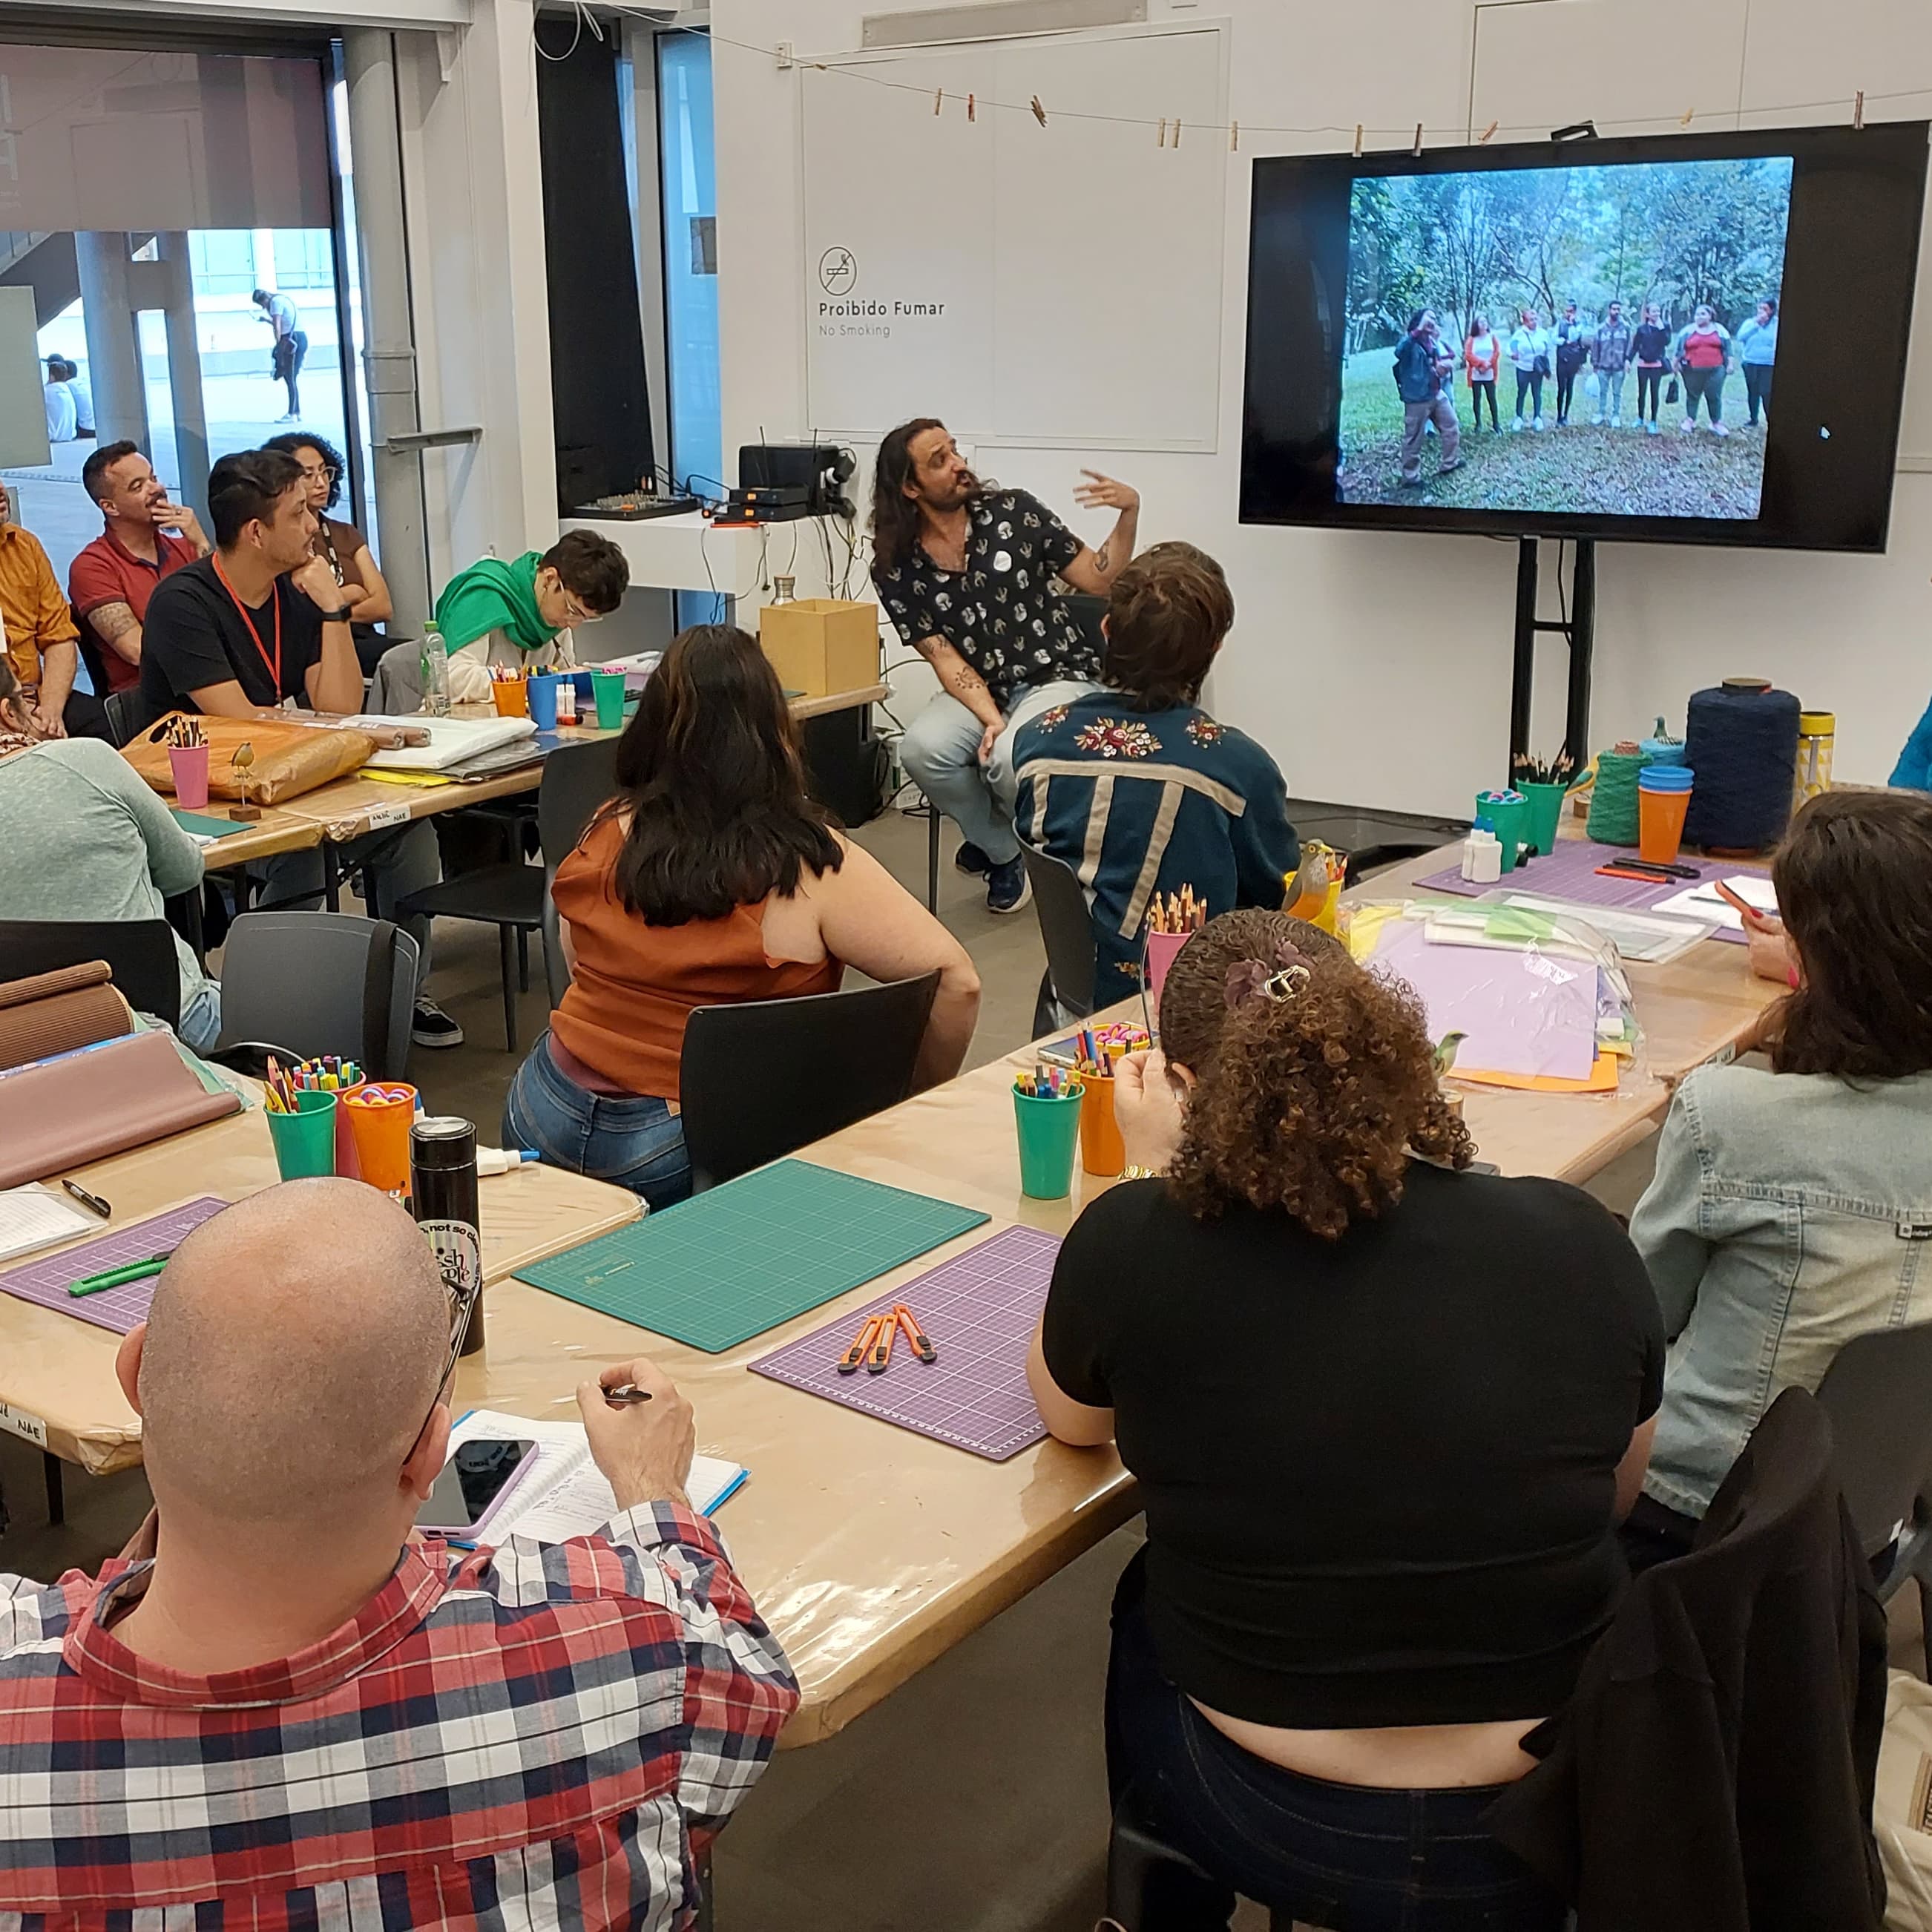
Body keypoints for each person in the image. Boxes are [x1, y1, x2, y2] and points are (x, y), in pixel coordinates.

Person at [1027, 909, 1662, 1931]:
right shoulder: (1581, 1238)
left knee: (1147, 1597)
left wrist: (1153, 1184)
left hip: (1266, 1812)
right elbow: (1617, 1495)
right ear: (1396, 1056)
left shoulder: (1135, 1242)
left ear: (1184, 1088)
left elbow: (1072, 1420)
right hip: (1548, 1814)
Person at [0, 1180, 798, 1925]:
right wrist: (655, 1487)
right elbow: (744, 1671)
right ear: (427, 1456)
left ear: (135, 1376)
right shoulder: (633, 1649)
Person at [506, 625, 981, 1209]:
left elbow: (574, 954)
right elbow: (958, 983)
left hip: (540, 1109)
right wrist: (911, 1103)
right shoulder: (807, 863)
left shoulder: (606, 825)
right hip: (681, 1141)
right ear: (774, 731)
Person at [1623, 790, 1932, 1568]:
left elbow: (1640, 1325)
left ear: (1820, 957)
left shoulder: (1730, 1116)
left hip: (1697, 1520)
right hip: (1869, 1526)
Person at [139, 448, 461, 1049]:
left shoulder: (296, 594)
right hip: (204, 799)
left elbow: (339, 705)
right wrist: (327, 728)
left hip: (289, 779)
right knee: (305, 855)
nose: (314, 524)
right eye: (298, 514)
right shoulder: (184, 602)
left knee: (407, 834)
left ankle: (401, 993)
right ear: (256, 532)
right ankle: (268, 1011)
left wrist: (334, 609)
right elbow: (239, 721)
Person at [870, 417, 1140, 915]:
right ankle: (1002, 851)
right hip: (980, 687)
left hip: (1056, 674)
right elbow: (942, 655)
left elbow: (1099, 580)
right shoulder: (894, 564)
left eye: (954, 450)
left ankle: (1036, 851)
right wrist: (991, 718)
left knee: (1008, 758)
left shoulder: (1014, 512)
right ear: (910, 488)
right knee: (922, 750)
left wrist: (1128, 513)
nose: (959, 464)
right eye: (940, 461)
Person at [1011, 543, 1298, 1008]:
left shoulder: (1036, 740)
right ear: (1215, 647)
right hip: (1198, 1008)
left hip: (1073, 997)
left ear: (1107, 629)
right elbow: (1280, 898)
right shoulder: (1240, 768)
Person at [0, 657, 220, 1048]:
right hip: (170, 1024)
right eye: (27, 698)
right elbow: (185, 870)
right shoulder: (87, 760)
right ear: (9, 714)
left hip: (31, 1053)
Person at [68, 440, 211, 700]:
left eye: (153, 478)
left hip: (210, 681)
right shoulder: (92, 567)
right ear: (110, 506)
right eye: (138, 486)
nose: (156, 489)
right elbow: (136, 650)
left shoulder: (186, 548)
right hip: (152, 698)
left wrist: (201, 543)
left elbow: (235, 617)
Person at [434, 528, 630, 703]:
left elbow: (561, 685)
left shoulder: (558, 621)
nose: (573, 625)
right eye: (573, 610)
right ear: (549, 580)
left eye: (585, 618)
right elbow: (453, 680)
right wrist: (534, 683)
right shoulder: (484, 597)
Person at [265, 430, 395, 675]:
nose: (321, 482)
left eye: (324, 471)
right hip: (317, 649)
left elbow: (383, 607)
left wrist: (332, 612)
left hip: (363, 639)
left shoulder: (345, 533)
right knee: (406, 658)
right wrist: (353, 593)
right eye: (308, 475)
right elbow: (299, 616)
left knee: (413, 653)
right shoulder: (282, 543)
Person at [0, 490, 105, 740]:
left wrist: (51, 713)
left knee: (111, 730)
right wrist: (19, 717)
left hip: (38, 697)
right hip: (6, 706)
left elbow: (59, 636)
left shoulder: (25, 545)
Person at [1393, 308, 1463, 487]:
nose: (1433, 320)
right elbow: (1399, 352)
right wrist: (1418, 330)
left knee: (1451, 425)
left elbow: (1432, 366)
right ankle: (1410, 477)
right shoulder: (1410, 341)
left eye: (1434, 317)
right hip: (1417, 398)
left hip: (1436, 392)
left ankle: (1450, 463)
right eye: (1429, 317)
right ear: (1419, 321)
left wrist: (1441, 368)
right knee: (1414, 438)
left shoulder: (1431, 342)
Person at [1673, 303, 1732, 436]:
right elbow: (1679, 350)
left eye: (1703, 314)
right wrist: (1675, 365)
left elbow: (1728, 349)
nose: (1699, 317)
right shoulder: (1687, 331)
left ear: (1710, 316)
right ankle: (1690, 420)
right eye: (1697, 314)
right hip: (1691, 369)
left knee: (1714, 395)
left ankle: (1716, 423)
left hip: (1716, 369)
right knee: (1693, 395)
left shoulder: (1720, 330)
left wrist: (1730, 364)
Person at [253, 287, 308, 421]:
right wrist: (266, 320)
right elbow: (282, 322)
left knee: (290, 377)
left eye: (262, 304)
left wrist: (278, 346)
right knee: (291, 376)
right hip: (297, 338)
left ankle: (292, 413)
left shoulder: (275, 302)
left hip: (292, 340)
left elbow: (277, 326)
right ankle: (296, 412)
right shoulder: (282, 299)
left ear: (264, 299)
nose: (264, 307)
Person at [1736, 295, 1778, 430]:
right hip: (1750, 362)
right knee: (1753, 392)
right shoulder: (1750, 323)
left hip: (1769, 364)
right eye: (1760, 308)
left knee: (1767, 393)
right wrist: (1756, 325)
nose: (1761, 311)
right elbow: (1740, 337)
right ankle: (1753, 420)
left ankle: (1771, 421)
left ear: (1772, 310)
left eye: (1765, 309)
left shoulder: (1777, 324)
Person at [1589, 298, 1634, 427]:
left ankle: (1616, 415)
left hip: (1619, 366)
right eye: (1614, 309)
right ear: (1609, 310)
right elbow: (1595, 347)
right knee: (1603, 391)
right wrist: (1595, 364)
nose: (1616, 312)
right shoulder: (1601, 328)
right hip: (1603, 365)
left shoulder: (1626, 327)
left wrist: (1628, 360)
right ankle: (1601, 413)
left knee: (1617, 392)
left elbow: (1629, 345)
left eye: (1618, 309)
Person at [1632, 300, 1672, 436]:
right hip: (1643, 365)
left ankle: (1653, 421)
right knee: (1641, 392)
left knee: (1655, 393)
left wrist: (1661, 329)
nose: (1656, 314)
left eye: (1658, 311)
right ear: (1648, 314)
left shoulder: (1664, 327)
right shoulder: (1642, 329)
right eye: (1654, 311)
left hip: (1657, 365)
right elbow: (1635, 346)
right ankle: (1640, 418)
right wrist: (1628, 360)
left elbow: (1666, 342)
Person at [1507, 308, 1550, 432]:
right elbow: (1510, 348)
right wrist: (1513, 355)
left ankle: (1537, 418)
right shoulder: (1519, 334)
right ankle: (1519, 418)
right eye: (1531, 320)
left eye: (1536, 319)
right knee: (1522, 392)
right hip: (1523, 368)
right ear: (1525, 321)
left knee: (1537, 393)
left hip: (1537, 369)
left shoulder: (1543, 333)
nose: (1534, 322)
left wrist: (1544, 361)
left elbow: (1548, 348)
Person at [1553, 299, 1589, 427]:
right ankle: (1559, 416)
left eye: (1571, 311)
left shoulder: (1579, 324)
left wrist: (1572, 324)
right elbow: (1554, 338)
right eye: (1567, 311)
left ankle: (1566, 415)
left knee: (1570, 386)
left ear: (1575, 311)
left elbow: (1574, 337)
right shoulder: (1560, 323)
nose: (1568, 313)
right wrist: (1564, 341)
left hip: (1573, 359)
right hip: (1561, 358)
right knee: (1561, 388)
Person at [1464, 314, 1501, 432]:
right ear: (1476, 325)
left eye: (1485, 321)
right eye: (1481, 322)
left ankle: (1496, 424)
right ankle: (1478, 424)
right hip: (1476, 373)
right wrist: (1481, 364)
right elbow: (1468, 354)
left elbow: (1497, 352)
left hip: (1490, 372)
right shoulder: (1472, 339)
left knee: (1492, 398)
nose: (1484, 323)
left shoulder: (1492, 337)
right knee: (1477, 399)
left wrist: (1488, 364)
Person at [42, 356, 76, 444]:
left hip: (53, 436)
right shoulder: (67, 389)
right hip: (69, 435)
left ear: (52, 377)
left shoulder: (46, 391)